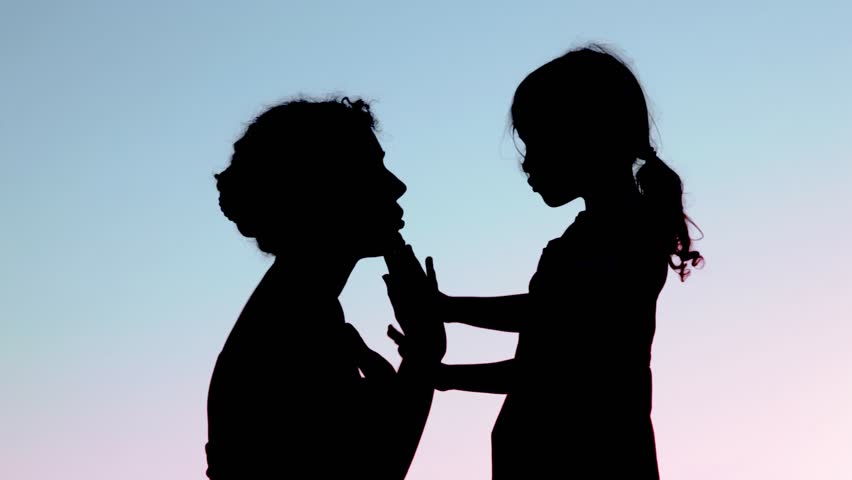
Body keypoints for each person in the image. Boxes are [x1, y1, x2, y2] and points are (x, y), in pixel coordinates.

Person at [388, 45, 703, 479]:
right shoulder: (603, 233)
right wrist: (445, 328)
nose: (526, 164)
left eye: (535, 142)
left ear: (585, 136)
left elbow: (559, 365)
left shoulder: (624, 232)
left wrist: (447, 328)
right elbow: (551, 345)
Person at [206, 97, 445, 479]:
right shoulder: (292, 327)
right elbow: (376, 470)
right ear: (320, 192)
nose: (397, 186)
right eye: (370, 169)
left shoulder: (298, 311)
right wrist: (423, 357)